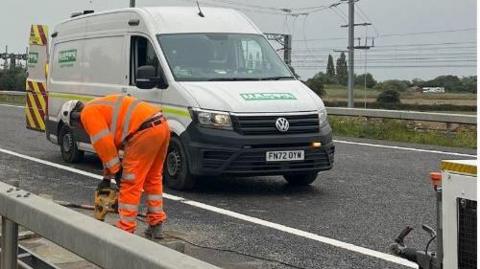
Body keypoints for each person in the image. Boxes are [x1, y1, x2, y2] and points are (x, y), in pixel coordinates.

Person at [68, 95, 170, 238]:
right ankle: (156, 224)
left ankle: (125, 229)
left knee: (129, 182)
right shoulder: (98, 107)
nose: (80, 127)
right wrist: (107, 178)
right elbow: (110, 148)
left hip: (142, 131)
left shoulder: (87, 114)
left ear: (74, 117)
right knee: (153, 178)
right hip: (161, 125)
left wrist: (117, 172)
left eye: (76, 125)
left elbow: (105, 145)